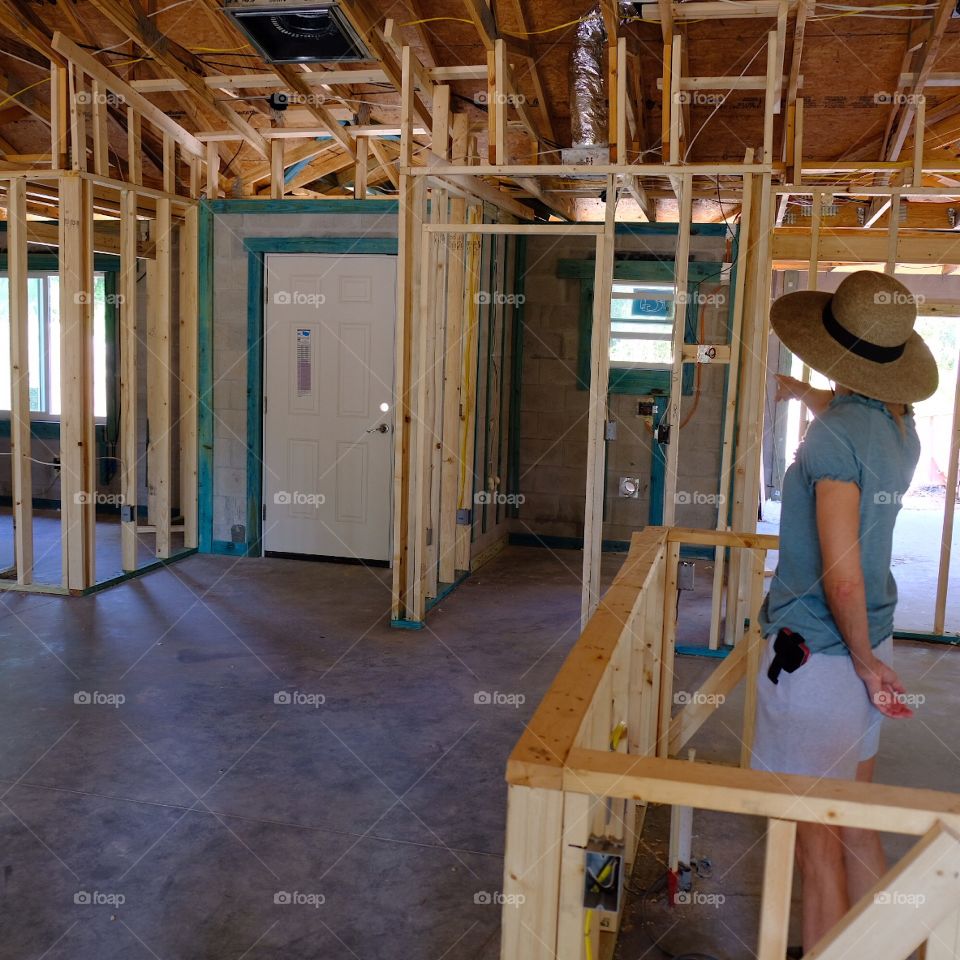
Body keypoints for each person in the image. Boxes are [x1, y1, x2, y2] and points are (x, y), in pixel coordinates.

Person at [749, 270, 939, 952]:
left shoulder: (832, 439)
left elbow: (842, 576)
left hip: (823, 659)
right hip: (871, 642)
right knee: (854, 821)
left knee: (816, 846)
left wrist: (860, 664)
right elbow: (847, 411)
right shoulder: (898, 425)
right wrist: (800, 392)